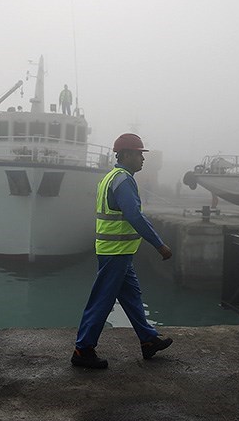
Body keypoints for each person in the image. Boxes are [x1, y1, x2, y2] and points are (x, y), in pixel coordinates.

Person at [72, 133, 174, 369]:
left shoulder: (111, 177)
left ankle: (148, 340)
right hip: (115, 251)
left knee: (131, 296)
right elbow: (134, 216)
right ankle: (83, 349)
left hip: (117, 251)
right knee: (102, 300)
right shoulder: (123, 180)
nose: (142, 159)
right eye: (139, 154)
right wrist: (159, 244)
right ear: (126, 155)